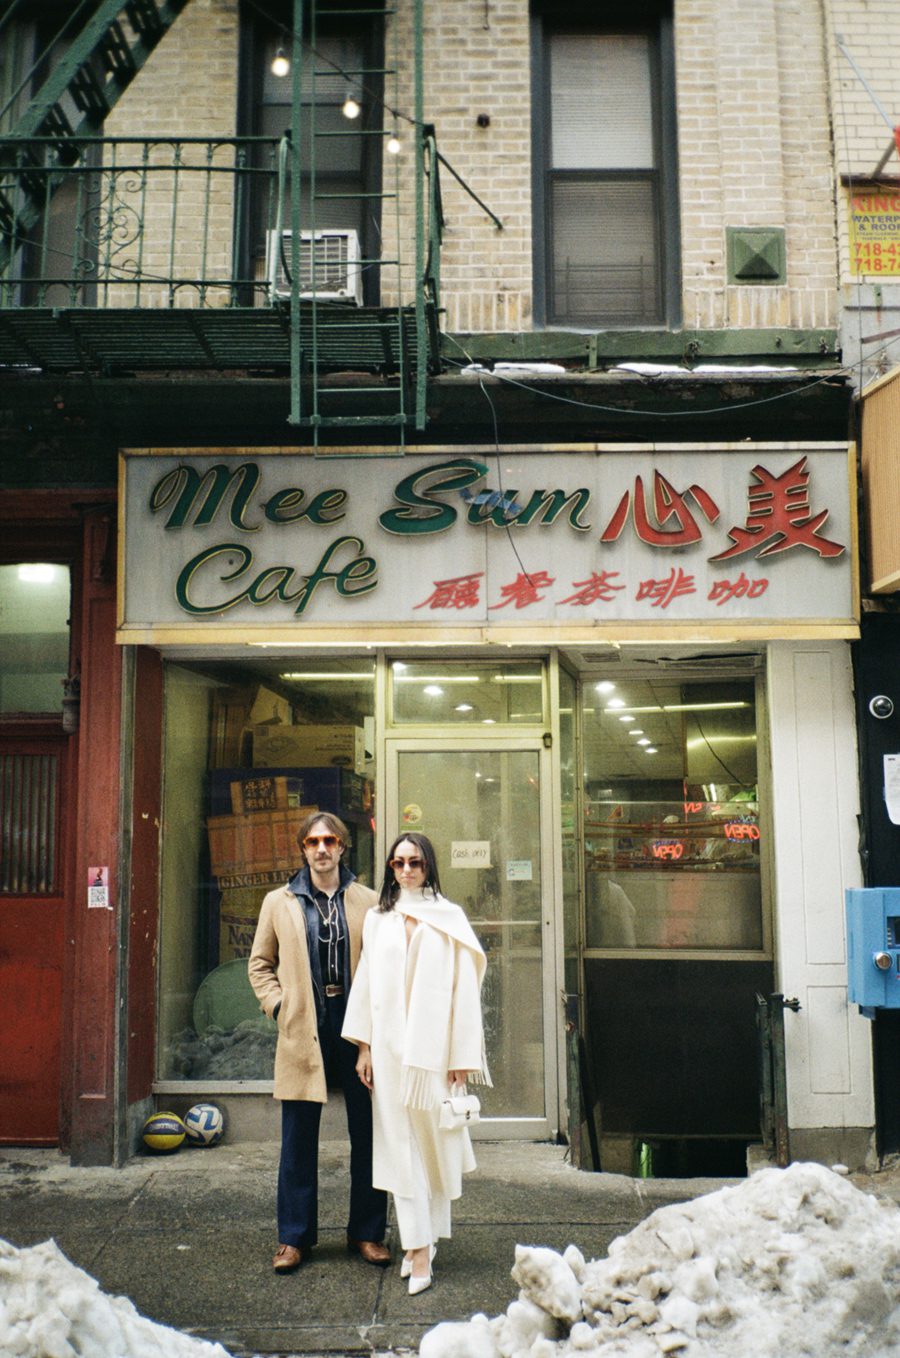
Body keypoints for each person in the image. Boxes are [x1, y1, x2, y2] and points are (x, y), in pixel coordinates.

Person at [341, 832, 490, 1296]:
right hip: (387, 1053)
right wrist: (363, 1048)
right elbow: (364, 983)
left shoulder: (448, 918)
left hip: (435, 1054)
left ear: (429, 866)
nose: (406, 870)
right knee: (398, 1149)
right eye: (398, 862)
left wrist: (462, 1058)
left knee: (432, 1148)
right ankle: (419, 1247)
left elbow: (464, 993)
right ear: (390, 867)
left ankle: (424, 1240)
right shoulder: (379, 919)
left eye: (416, 862)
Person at [248, 810, 389, 1274]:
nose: (322, 849)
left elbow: (383, 967)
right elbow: (259, 964)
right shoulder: (279, 901)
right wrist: (279, 1006)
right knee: (297, 1140)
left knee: (369, 1137)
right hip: (304, 1030)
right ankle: (294, 1238)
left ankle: (367, 1233)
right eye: (313, 842)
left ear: (343, 846)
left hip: (356, 1033)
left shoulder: (369, 902)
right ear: (303, 849)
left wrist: (372, 1035)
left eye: (330, 840)